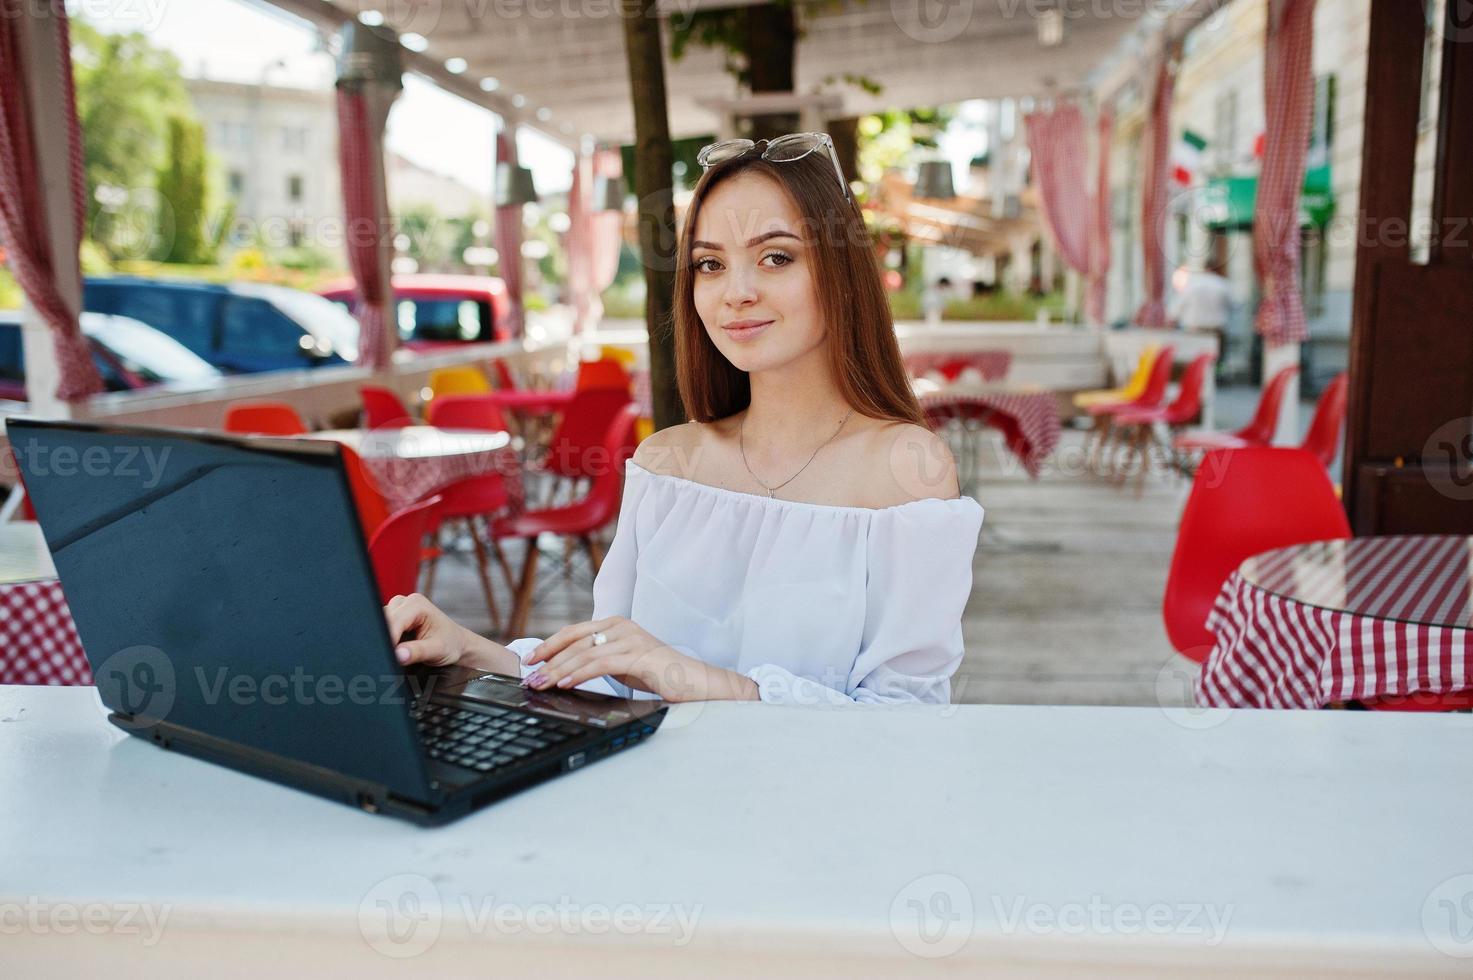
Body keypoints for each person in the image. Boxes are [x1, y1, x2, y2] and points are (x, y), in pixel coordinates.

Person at [384, 132, 985, 705]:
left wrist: (684, 675)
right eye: (710, 264)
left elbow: (903, 719)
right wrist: (465, 649)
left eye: (776, 257)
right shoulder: (666, 463)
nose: (737, 292)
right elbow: (610, 679)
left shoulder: (906, 470)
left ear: (842, 273)